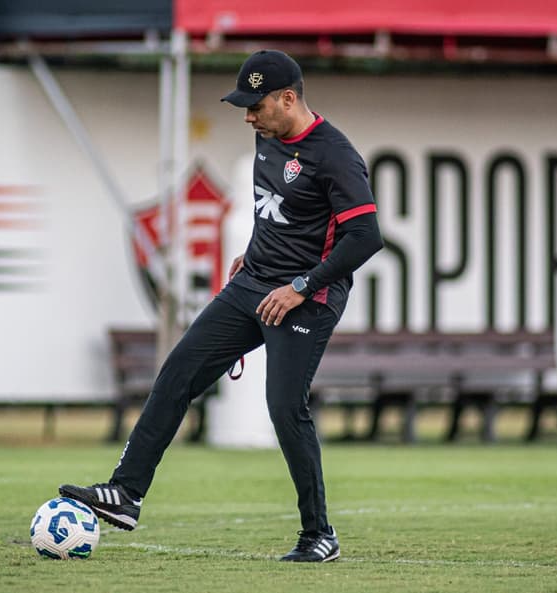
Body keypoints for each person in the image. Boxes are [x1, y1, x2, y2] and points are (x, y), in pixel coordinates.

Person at [60, 49, 383, 563]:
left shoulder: (335, 154)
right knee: (179, 373)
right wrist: (252, 254)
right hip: (253, 282)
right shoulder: (266, 136)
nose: (248, 116)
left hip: (307, 298)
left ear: (289, 98)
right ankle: (126, 494)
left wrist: (300, 285)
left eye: (256, 105)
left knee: (283, 408)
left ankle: (320, 534)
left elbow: (365, 237)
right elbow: (274, 212)